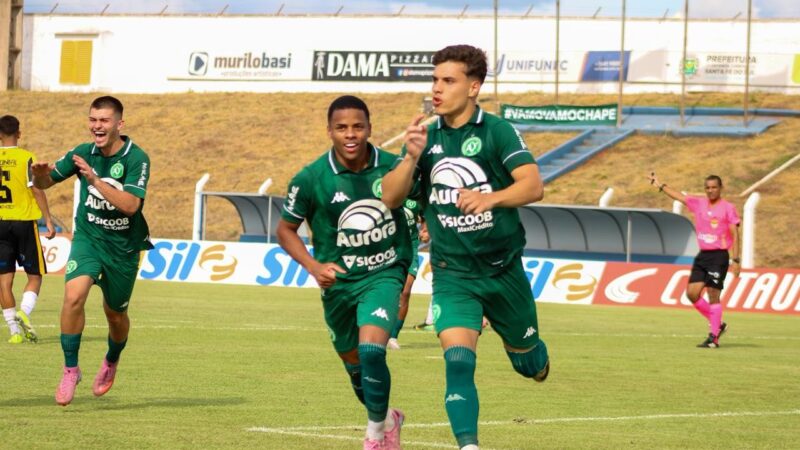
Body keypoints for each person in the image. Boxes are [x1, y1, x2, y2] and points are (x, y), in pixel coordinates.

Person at [381, 44, 550, 450]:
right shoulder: (426, 137)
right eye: (435, 80)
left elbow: (534, 185)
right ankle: (468, 446)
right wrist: (409, 156)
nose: (437, 89)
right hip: (452, 273)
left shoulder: (497, 131)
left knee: (530, 364)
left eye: (448, 81)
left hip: (502, 270)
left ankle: (533, 356)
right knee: (457, 361)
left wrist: (490, 198)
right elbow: (390, 197)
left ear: (473, 87)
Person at [277, 95, 411, 450]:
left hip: (384, 271)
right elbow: (285, 229)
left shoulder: (393, 167)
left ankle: (373, 437)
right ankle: (388, 419)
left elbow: (420, 201)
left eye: (357, 126)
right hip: (338, 283)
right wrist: (313, 266)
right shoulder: (310, 178)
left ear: (369, 128)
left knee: (371, 350)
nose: (350, 134)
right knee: (356, 367)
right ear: (329, 131)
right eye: (341, 127)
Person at [32, 96, 153, 406]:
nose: (97, 126)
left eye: (104, 121)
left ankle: (112, 359)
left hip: (123, 247)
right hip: (89, 239)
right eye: (93, 120)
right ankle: (71, 369)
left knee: (115, 314)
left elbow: (130, 206)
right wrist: (40, 174)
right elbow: (44, 184)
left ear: (119, 124)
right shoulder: (81, 152)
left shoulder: (136, 158)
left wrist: (94, 180)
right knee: (73, 296)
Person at [648, 172, 740, 348]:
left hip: (719, 256)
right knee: (692, 294)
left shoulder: (728, 208)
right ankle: (718, 324)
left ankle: (713, 338)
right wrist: (660, 185)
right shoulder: (699, 203)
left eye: (714, 187)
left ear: (721, 188)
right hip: (703, 255)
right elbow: (680, 197)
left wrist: (736, 260)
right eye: (707, 187)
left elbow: (735, 234)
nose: (710, 190)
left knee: (713, 294)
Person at [0, 115, 56, 344]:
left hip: (0, 224)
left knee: (4, 280)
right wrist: (48, 220)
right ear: (19, 133)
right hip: (23, 222)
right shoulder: (26, 158)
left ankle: (14, 331)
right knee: (35, 275)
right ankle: (24, 311)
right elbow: (37, 190)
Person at [387, 204, 425, 350]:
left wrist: (425, 229)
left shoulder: (416, 194)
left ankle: (393, 337)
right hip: (389, 247)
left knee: (405, 292)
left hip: (410, 247)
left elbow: (427, 215)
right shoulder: (384, 190)